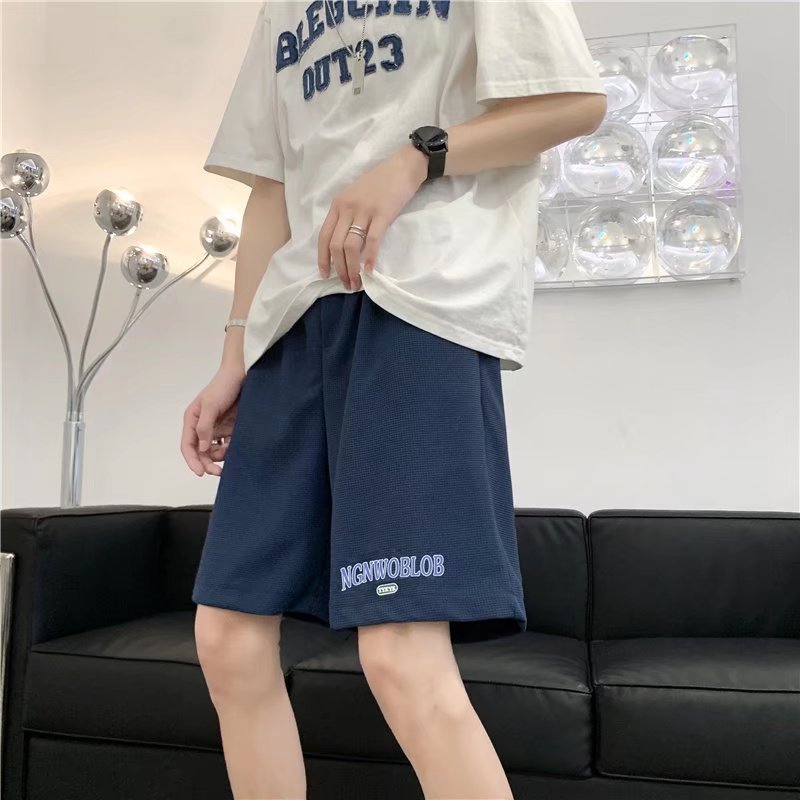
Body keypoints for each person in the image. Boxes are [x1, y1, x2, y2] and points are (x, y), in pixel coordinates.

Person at [181, 1, 606, 797]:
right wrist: (234, 356)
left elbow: (575, 102)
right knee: (227, 639)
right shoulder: (282, 10)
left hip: (418, 301)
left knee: (401, 655)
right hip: (292, 318)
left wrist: (419, 156)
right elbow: (271, 189)